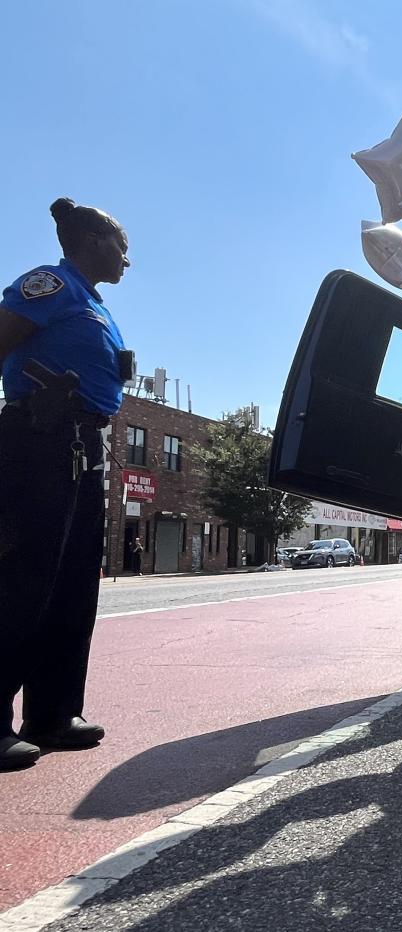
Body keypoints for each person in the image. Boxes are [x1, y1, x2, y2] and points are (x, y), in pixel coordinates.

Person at [0, 198, 131, 771]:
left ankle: (52, 713)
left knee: (75, 585)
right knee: (23, 580)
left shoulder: (94, 304)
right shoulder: (51, 284)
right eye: (121, 244)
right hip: (38, 439)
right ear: (92, 239)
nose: (128, 257)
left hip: (83, 447)